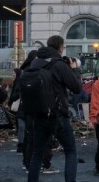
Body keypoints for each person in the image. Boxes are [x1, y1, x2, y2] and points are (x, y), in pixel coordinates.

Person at [26, 35, 82, 182]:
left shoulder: (35, 64)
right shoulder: (59, 64)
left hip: (39, 114)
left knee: (37, 153)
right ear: (60, 47)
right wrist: (74, 70)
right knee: (70, 152)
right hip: (58, 115)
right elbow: (76, 88)